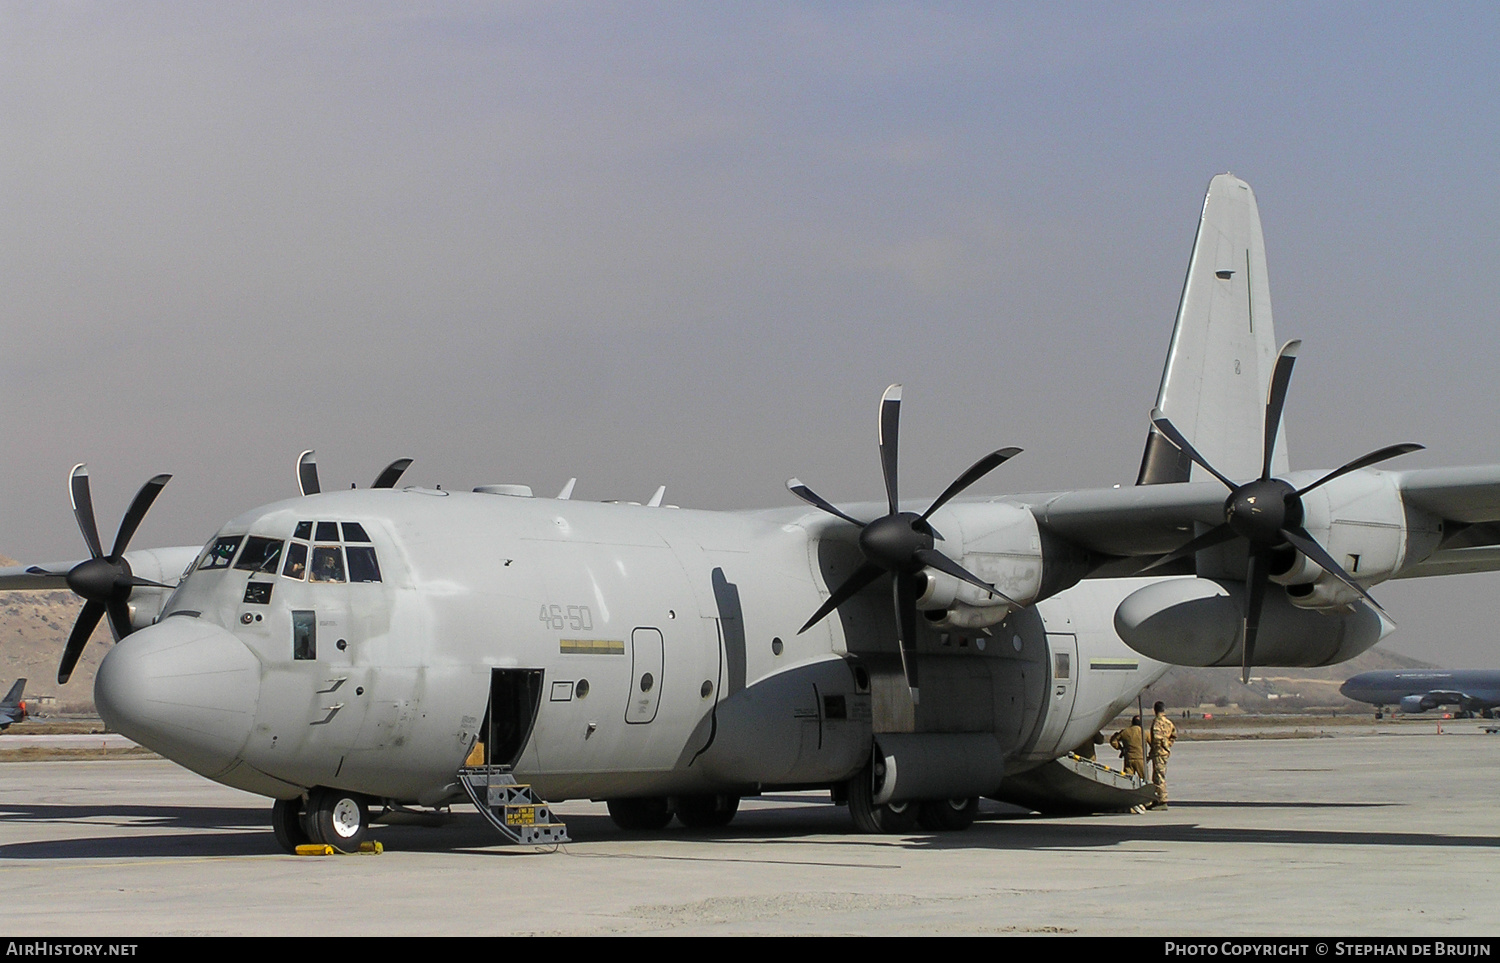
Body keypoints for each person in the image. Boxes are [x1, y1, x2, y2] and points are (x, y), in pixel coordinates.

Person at [1149, 700, 1177, 810]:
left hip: (1159, 752)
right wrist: (1168, 746)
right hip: (1164, 752)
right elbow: (1174, 735)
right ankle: (1157, 798)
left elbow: (1156, 738)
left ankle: (1162, 800)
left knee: (1159, 776)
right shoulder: (1169, 722)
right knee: (1158, 775)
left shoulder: (1157, 722)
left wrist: (1156, 749)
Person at [1109, 716, 1145, 780]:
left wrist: (1121, 748)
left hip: (1129, 759)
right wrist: (1150, 756)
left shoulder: (1125, 732)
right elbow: (1153, 743)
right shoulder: (1144, 733)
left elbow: (1113, 741)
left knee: (1128, 779)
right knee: (1145, 780)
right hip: (1141, 759)